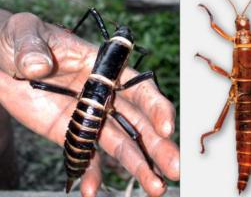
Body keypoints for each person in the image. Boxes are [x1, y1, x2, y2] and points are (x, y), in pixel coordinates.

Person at [0, 10, 179, 197]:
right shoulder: (122, 51)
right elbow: (144, 58)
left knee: (135, 135)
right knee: (136, 132)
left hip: (88, 108)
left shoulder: (106, 46)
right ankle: (149, 169)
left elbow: (93, 13)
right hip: (91, 111)